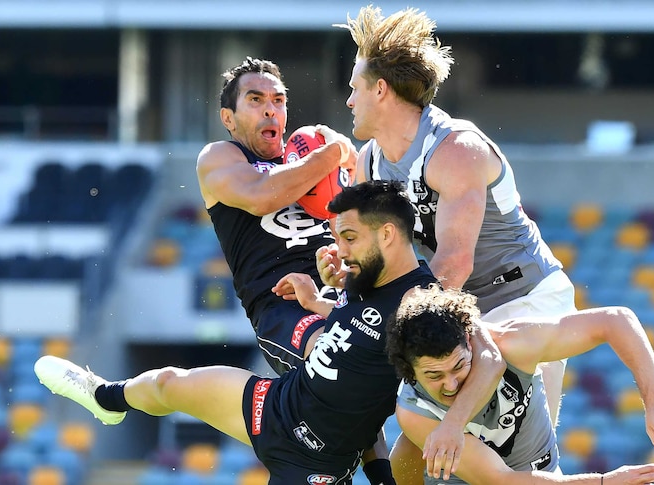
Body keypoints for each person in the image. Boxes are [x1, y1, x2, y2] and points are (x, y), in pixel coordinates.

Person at [35, 180, 505, 485]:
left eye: (348, 238)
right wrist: (317, 300)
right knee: (168, 383)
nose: (337, 250)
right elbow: (356, 348)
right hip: (276, 405)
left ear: (387, 236)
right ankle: (106, 399)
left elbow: (488, 358)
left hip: (317, 464)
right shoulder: (361, 278)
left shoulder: (422, 303)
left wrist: (450, 424)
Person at [316, 6, 577, 477]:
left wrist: (372, 328)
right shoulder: (367, 164)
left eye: (355, 88)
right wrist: (344, 270)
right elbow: (375, 261)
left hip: (524, 301)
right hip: (460, 311)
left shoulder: (455, 149)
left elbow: (452, 267)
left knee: (509, 463)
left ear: (381, 89)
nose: (349, 100)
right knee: (412, 459)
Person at [385, 285, 654, 484]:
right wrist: (604, 482)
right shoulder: (414, 411)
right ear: (409, 371)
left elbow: (614, 320)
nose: (451, 384)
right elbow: (502, 481)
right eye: (434, 377)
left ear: (470, 341)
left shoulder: (513, 344)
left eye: (459, 367)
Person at [196, 56, 357, 373]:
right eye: (255, 99)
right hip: (282, 307)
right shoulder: (220, 156)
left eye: (278, 100)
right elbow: (260, 196)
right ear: (228, 118)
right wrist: (337, 152)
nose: (270, 109)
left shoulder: (312, 159)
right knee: (339, 357)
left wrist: (345, 259)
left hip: (339, 292)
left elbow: (355, 230)